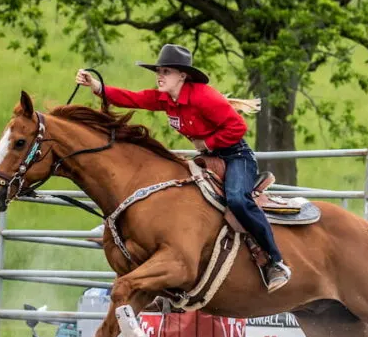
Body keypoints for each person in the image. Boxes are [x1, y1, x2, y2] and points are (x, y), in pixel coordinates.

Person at [75, 44, 291, 292]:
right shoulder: (165, 98)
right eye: (158, 71)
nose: (159, 76)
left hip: (235, 156)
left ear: (182, 75)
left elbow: (237, 128)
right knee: (166, 185)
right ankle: (121, 225)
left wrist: (208, 143)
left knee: (237, 199)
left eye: (165, 71)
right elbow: (133, 98)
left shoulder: (203, 97)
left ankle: (275, 261)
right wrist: (97, 86)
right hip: (206, 156)